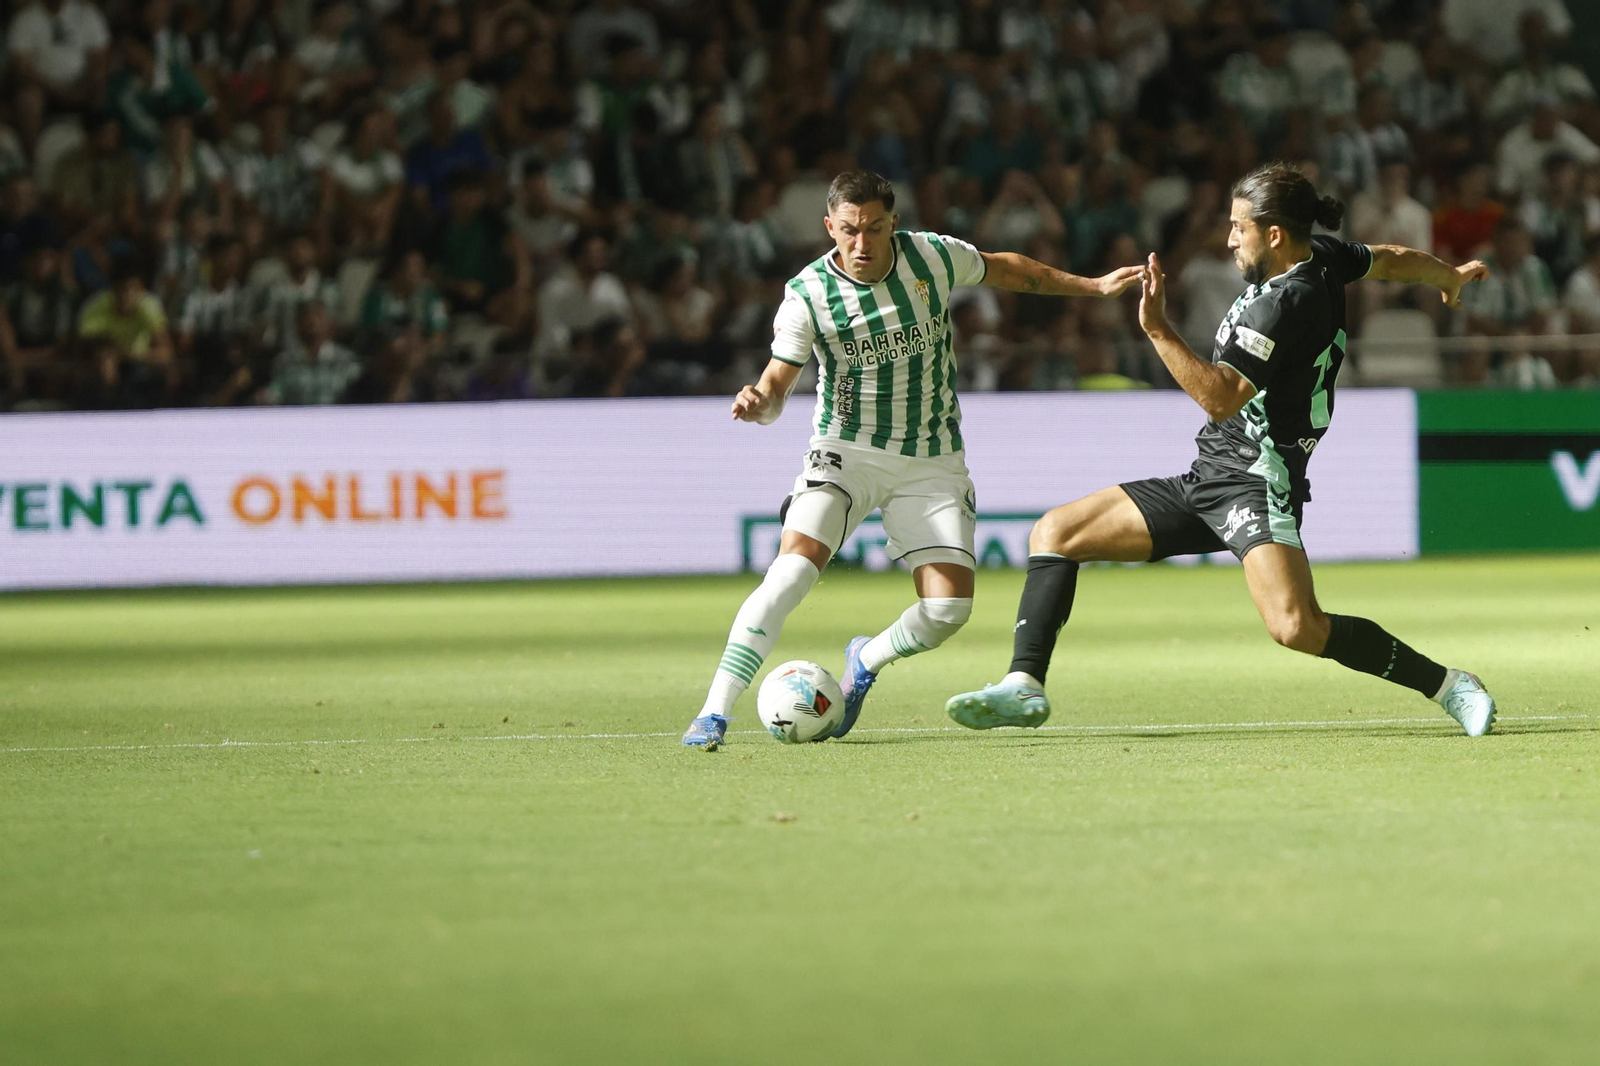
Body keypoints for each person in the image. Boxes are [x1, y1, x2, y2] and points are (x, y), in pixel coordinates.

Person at [945, 163, 1500, 739]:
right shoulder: (1325, 256)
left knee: (1296, 627)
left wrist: (1158, 329)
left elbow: (1219, 398)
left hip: (1259, 480)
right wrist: (1449, 274)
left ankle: (1450, 685)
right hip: (1210, 475)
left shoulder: (1285, 304)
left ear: (1274, 234)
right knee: (1054, 534)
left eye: (1239, 227)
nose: (1230, 238)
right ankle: (1023, 685)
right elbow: (1387, 258)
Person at [681, 169, 1144, 750]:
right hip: (846, 451)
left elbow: (1010, 269)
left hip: (932, 459)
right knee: (792, 570)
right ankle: (714, 711)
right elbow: (776, 389)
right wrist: (759, 403)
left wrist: (1093, 286)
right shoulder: (807, 294)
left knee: (949, 609)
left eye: (874, 228)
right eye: (848, 230)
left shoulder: (933, 258)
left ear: (892, 223)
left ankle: (865, 660)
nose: (861, 243)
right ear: (830, 227)